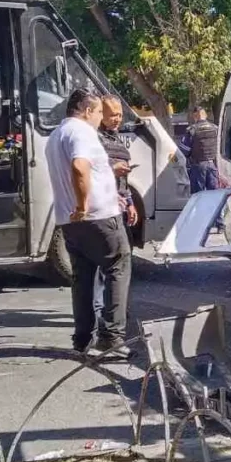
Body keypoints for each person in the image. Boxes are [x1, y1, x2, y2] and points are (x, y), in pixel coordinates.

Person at [44, 89, 132, 356]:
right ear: (86, 111)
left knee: (83, 278)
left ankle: (83, 339)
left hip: (71, 222)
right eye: (98, 113)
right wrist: (83, 205)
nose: (100, 119)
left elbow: (89, 171)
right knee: (118, 266)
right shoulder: (81, 131)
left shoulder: (56, 135)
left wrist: (108, 188)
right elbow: (80, 166)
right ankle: (112, 337)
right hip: (98, 217)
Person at [93, 94, 137, 326]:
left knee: (120, 263)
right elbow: (91, 171)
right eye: (112, 115)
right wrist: (112, 169)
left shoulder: (116, 137)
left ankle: (116, 310)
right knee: (105, 264)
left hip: (119, 204)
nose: (117, 119)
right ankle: (102, 314)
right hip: (102, 208)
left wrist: (129, 202)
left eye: (119, 114)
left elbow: (123, 180)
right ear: (101, 115)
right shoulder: (94, 139)